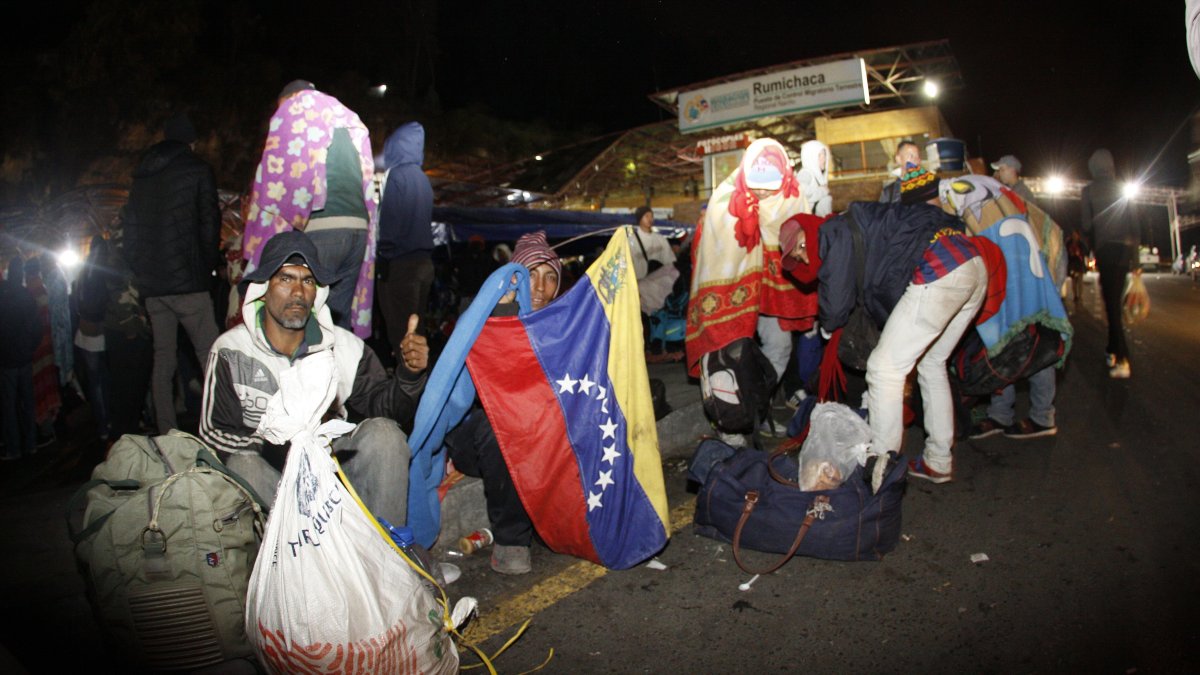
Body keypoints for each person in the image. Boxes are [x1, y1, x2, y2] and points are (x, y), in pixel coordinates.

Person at [200, 230, 428, 525]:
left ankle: (387, 554)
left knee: (384, 434)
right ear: (263, 288)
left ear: (317, 291)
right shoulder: (232, 350)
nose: (298, 292)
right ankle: (280, 567)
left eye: (307, 280)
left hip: (334, 479)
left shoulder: (346, 348)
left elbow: (387, 409)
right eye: (285, 279)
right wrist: (285, 446)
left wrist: (409, 374)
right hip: (273, 488)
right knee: (245, 465)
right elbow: (213, 434)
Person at [802, 167, 987, 484]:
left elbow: (852, 285)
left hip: (941, 270)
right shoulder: (926, 217)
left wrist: (834, 322)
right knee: (932, 363)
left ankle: (881, 470)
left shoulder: (844, 225)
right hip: (974, 264)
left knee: (884, 369)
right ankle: (938, 460)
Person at [445, 231, 562, 575]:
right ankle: (511, 541)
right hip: (482, 436)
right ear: (512, 276)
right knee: (505, 423)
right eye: (530, 275)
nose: (539, 288)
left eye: (550, 277)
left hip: (536, 435)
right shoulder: (483, 315)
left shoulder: (561, 327)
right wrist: (507, 310)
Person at [686, 138, 815, 442]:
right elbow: (713, 253)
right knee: (726, 353)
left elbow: (803, 247)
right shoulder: (724, 199)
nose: (760, 194)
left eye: (769, 188)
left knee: (780, 348)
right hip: (732, 289)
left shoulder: (795, 198)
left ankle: (756, 407)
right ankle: (729, 422)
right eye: (756, 186)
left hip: (775, 287)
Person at [242, 80, 378, 339]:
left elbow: (276, 180)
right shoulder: (345, 115)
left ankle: (302, 375)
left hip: (321, 225)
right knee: (337, 321)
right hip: (358, 228)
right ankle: (342, 376)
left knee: (304, 317)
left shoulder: (296, 107)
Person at [122, 112, 221, 434]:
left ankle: (166, 431)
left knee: (162, 359)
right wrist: (207, 266)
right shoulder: (197, 170)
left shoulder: (142, 177)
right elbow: (209, 224)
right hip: (189, 282)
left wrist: (142, 271)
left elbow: (131, 231)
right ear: (190, 142)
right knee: (210, 355)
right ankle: (222, 425)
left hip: (153, 286)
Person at [376, 122, 435, 360]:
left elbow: (390, 221)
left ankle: (405, 389)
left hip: (401, 264)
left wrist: (383, 256)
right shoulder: (423, 179)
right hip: (424, 264)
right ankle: (421, 385)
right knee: (416, 330)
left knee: (401, 332)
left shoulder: (397, 175)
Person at [1081, 148, 1140, 378]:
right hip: (1125, 252)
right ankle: (1111, 349)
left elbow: (1086, 225)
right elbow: (1135, 225)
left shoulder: (1089, 191)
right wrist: (1135, 261)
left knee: (1112, 306)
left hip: (1106, 251)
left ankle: (1123, 360)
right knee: (1115, 303)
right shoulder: (1123, 188)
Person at [1, 258, 42, 460]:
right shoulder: (26, 295)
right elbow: (36, 327)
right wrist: (30, 348)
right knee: (28, 401)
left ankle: (14, 448)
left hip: (7, 360)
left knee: (9, 406)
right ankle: (31, 443)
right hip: (24, 357)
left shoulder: (3, 296)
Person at [796, 140, 833, 217]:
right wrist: (823, 191)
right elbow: (801, 192)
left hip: (819, 222)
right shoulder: (805, 173)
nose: (824, 158)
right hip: (811, 223)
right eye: (819, 155)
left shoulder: (818, 176)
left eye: (824, 154)